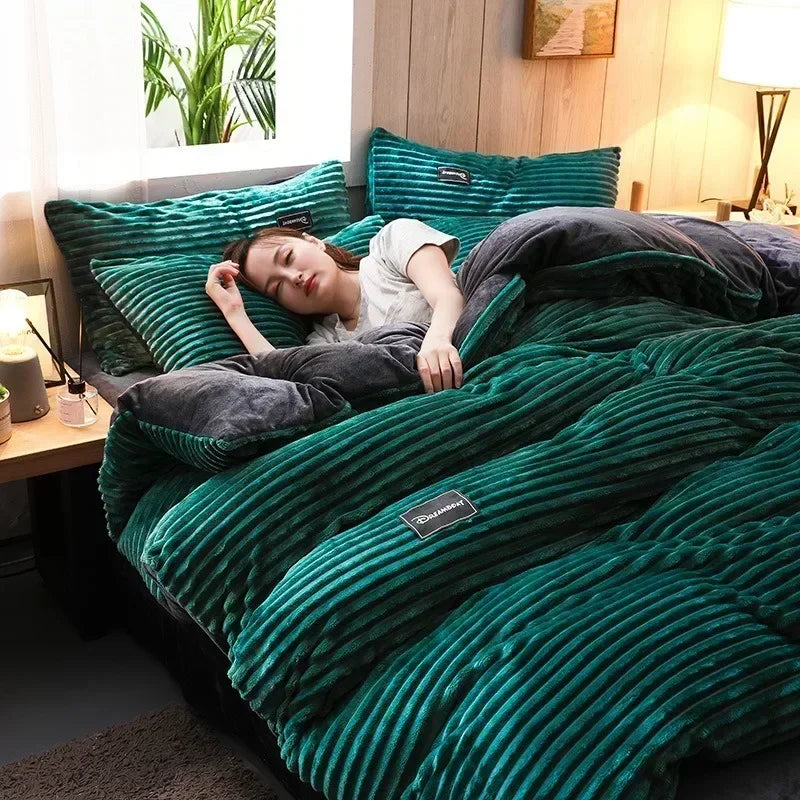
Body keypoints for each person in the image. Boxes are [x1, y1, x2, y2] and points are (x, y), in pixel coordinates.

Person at [206, 218, 465, 393]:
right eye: (278, 287)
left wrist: (438, 340)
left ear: (313, 242)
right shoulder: (325, 341)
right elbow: (287, 380)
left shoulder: (390, 245)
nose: (293, 278)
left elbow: (448, 295)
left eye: (288, 257)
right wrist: (235, 314)